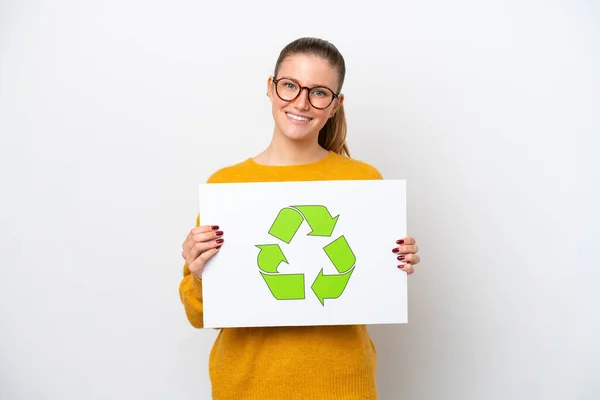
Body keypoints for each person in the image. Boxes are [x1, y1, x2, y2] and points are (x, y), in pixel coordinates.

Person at [178, 37, 421, 400]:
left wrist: (396, 261)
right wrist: (198, 273)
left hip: (342, 384)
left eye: (319, 92)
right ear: (270, 88)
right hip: (246, 385)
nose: (301, 102)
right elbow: (199, 316)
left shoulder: (363, 183)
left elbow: (371, 286)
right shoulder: (226, 186)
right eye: (290, 85)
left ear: (336, 105)